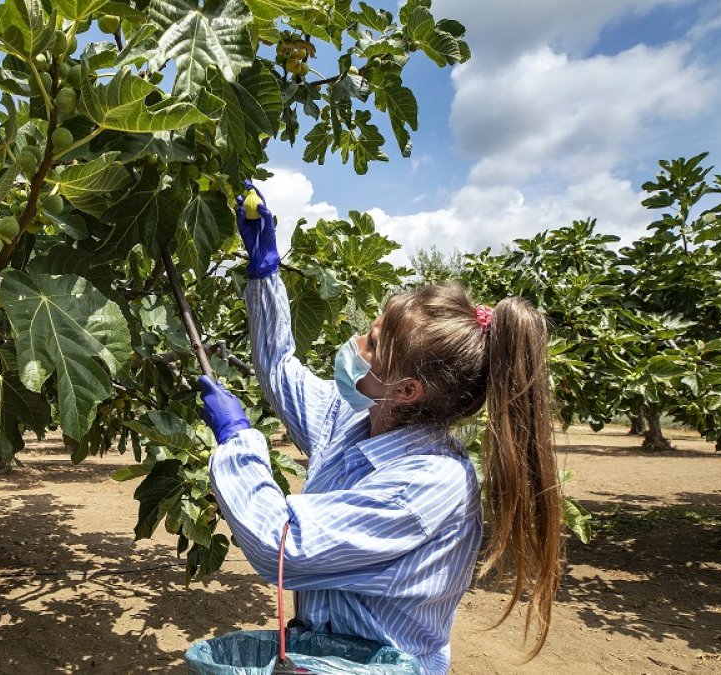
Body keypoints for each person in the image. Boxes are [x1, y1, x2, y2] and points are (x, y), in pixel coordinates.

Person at [196, 183, 562, 675]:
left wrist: (240, 443)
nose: (354, 343)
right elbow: (281, 369)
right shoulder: (352, 422)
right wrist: (265, 272)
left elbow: (278, 543)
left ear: (406, 390)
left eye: (369, 344)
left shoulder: (428, 485)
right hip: (321, 659)